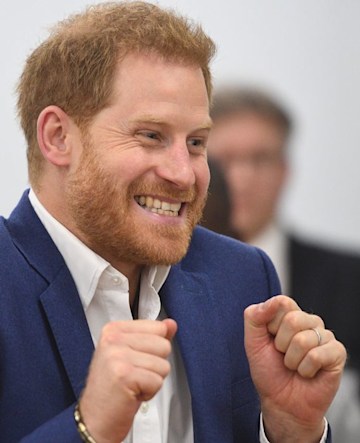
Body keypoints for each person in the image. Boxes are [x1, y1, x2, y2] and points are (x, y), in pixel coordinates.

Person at [0, 3, 346, 442]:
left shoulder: (242, 279)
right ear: (58, 137)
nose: (184, 173)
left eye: (197, 142)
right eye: (151, 136)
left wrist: (292, 430)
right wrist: (87, 428)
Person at [206, 85, 360, 441]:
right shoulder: (160, 280)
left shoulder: (352, 279)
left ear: (285, 170)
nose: (241, 178)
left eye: (260, 159)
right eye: (225, 160)